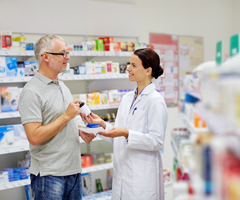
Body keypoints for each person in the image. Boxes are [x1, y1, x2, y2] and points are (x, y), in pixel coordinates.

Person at [81, 48, 168, 200]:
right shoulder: (127, 98)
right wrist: (101, 124)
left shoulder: (155, 101)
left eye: (134, 65)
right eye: (129, 64)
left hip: (141, 180)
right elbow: (119, 137)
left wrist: (127, 133)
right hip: (122, 176)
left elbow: (157, 141)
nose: (128, 68)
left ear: (148, 70)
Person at [18, 34, 96, 200]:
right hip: (49, 175)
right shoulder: (31, 92)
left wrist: (79, 130)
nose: (67, 57)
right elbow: (34, 136)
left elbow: (59, 122)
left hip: (73, 171)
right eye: (62, 53)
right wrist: (67, 116)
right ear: (45, 57)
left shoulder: (62, 86)